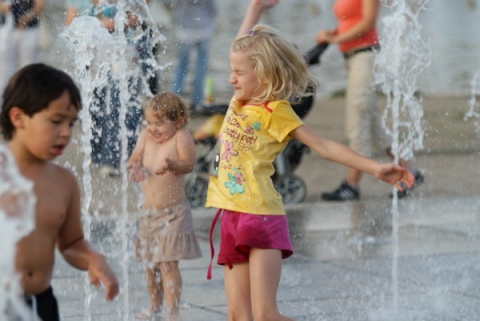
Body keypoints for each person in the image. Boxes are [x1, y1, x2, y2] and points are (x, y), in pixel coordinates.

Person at [204, 2, 415, 321]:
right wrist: (255, 10)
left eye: (239, 72)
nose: (231, 78)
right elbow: (241, 42)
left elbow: (324, 145)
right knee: (238, 317)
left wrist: (375, 168)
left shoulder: (276, 111)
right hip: (231, 216)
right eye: (232, 71)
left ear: (262, 73)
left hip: (261, 217)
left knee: (265, 316)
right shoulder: (239, 100)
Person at [0, 63, 119, 321]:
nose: (66, 133)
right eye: (56, 121)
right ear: (18, 117)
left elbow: (71, 243)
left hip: (42, 304)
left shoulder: (63, 182)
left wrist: (93, 259)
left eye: (71, 123)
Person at [316, 0, 424, 201]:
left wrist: (335, 39)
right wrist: (331, 34)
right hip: (351, 58)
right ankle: (410, 172)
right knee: (374, 125)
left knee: (358, 120)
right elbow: (349, 20)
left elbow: (367, 23)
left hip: (365, 57)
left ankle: (352, 184)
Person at [128, 92, 202, 321]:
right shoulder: (144, 137)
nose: (153, 128)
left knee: (167, 263)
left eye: (159, 123)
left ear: (178, 121)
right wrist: (135, 168)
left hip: (174, 213)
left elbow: (189, 164)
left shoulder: (181, 137)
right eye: (150, 122)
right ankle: (154, 304)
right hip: (148, 214)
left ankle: (172, 310)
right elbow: (134, 159)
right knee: (150, 266)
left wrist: (172, 165)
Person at [167, 0, 218, 113]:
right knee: (201, 67)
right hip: (204, 28)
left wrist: (180, 17)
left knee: (181, 66)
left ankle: (174, 98)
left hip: (184, 29)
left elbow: (171, 6)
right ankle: (197, 101)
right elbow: (214, 9)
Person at [0, 0, 45, 97]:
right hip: (6, 29)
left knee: (29, 68)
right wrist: (2, 7)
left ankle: (29, 101)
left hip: (29, 30)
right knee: (4, 71)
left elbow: (40, 4)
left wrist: (28, 17)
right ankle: (3, 103)